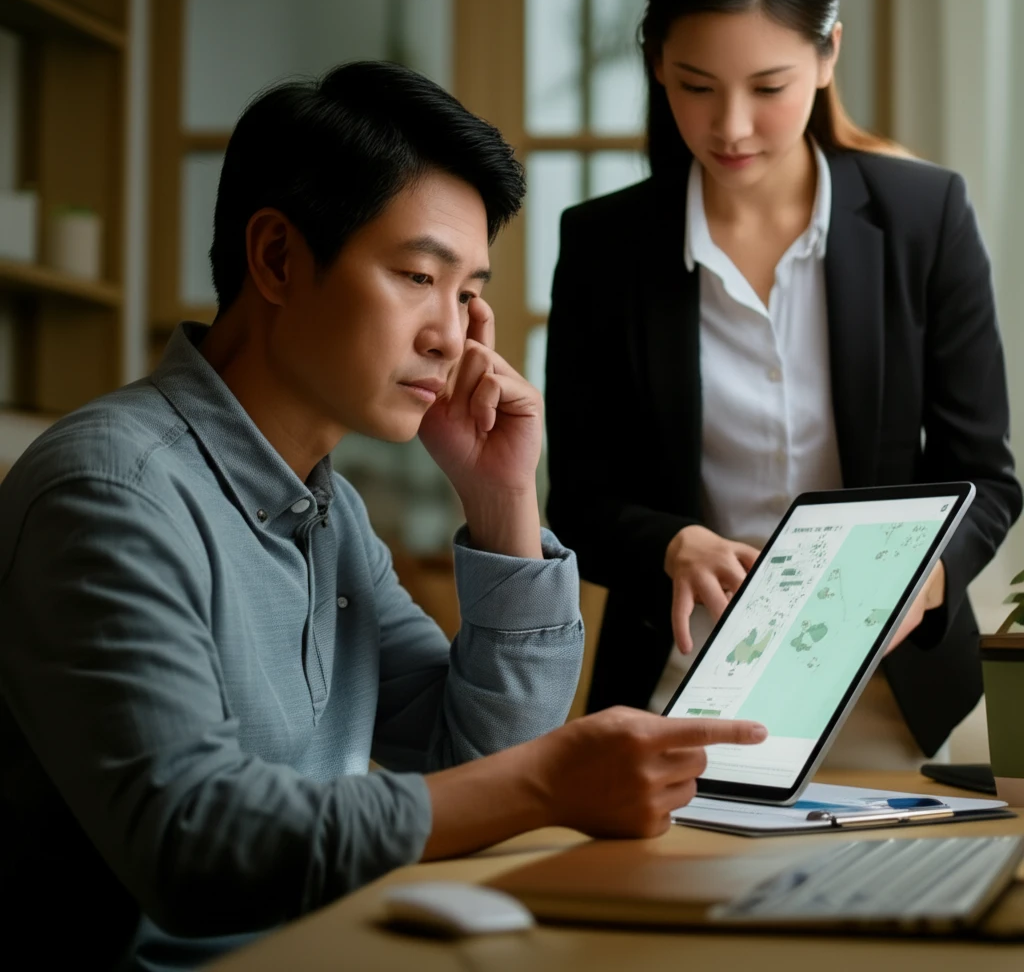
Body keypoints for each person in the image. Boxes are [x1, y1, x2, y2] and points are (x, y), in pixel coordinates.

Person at [0, 62, 766, 970]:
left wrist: (502, 498)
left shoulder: (327, 509)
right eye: (416, 275)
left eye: (467, 292)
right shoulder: (109, 493)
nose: (451, 334)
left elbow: (467, 754)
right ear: (278, 258)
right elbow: (195, 845)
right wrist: (548, 782)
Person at [545, 0, 1021, 769]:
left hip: (894, 709)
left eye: (768, 88)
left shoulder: (924, 216)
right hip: (676, 702)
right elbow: (579, 501)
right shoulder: (603, 245)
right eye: (697, 85)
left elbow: (986, 477)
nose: (730, 126)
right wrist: (671, 544)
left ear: (828, 53)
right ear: (656, 60)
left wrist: (928, 577)